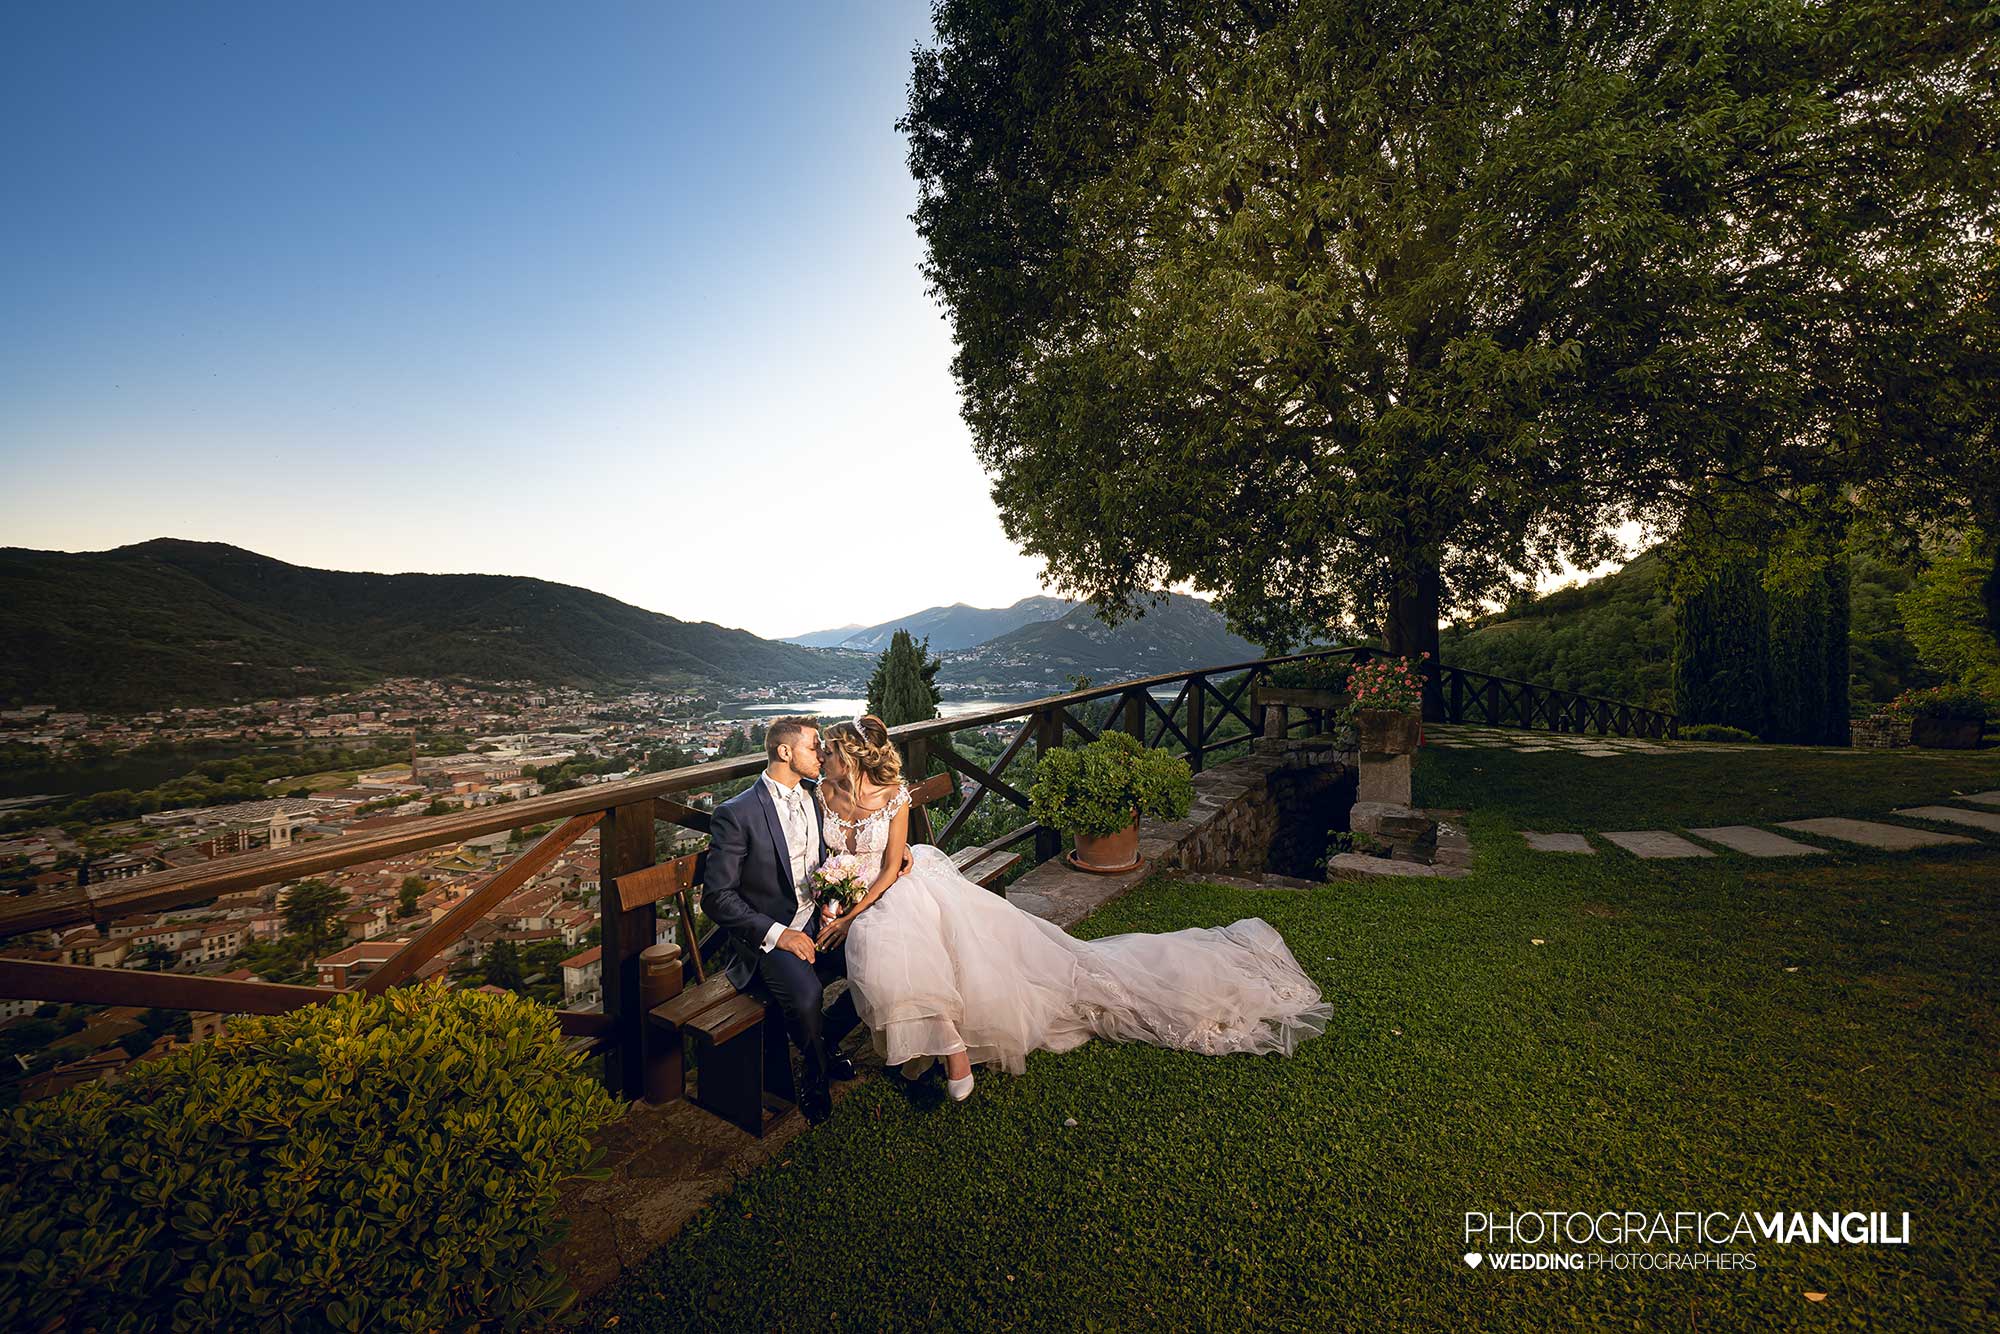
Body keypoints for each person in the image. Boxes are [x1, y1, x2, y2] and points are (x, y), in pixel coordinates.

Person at [812, 715, 1333, 1103]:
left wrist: (853, 913)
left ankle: (944, 1048)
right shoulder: (822, 794)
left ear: (853, 760)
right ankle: (935, 1049)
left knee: (904, 939)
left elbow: (889, 866)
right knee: (897, 951)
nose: (826, 765)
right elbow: (827, 855)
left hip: (893, 885)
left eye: (832, 756)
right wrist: (835, 899)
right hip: (858, 894)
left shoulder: (894, 794)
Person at [700, 714, 908, 1125]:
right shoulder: (737, 812)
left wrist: (900, 855)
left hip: (821, 918)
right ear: (784, 752)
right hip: (771, 937)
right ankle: (814, 1079)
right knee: (807, 997)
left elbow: (857, 830)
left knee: (886, 967)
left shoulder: (817, 794)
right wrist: (780, 935)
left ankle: (826, 1041)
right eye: (815, 746)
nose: (821, 753)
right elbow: (716, 898)